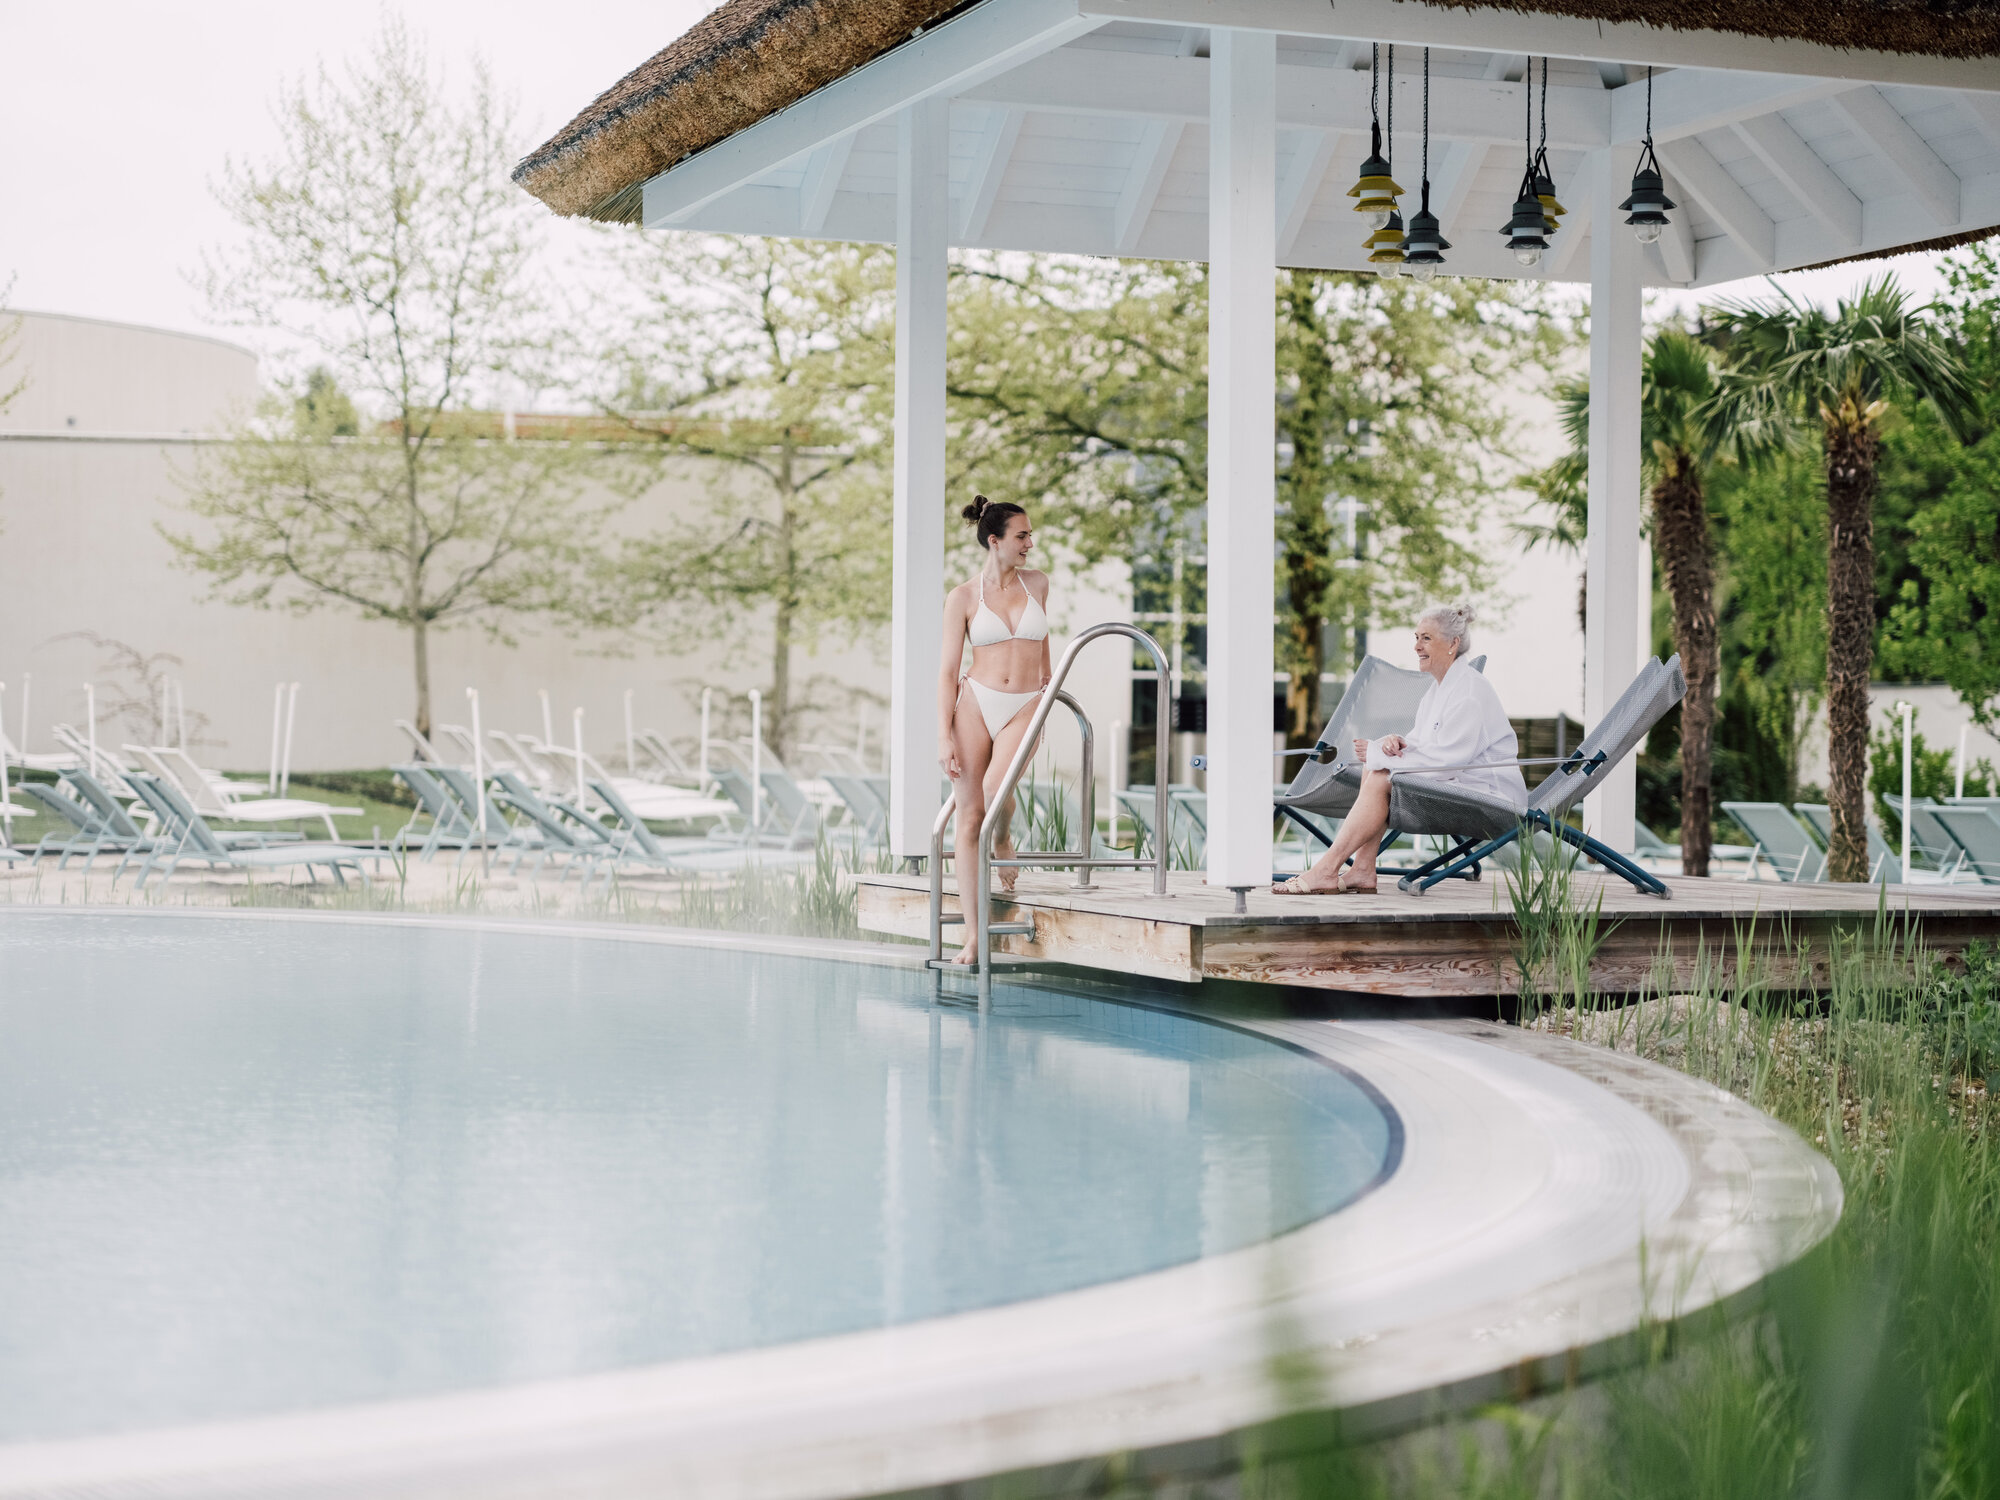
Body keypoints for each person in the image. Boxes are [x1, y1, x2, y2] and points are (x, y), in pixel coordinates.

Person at [1272, 604, 1525, 895]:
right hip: (1463, 787)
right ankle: (1362, 870)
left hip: (1493, 803)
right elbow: (1425, 744)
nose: (1417, 646)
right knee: (1375, 768)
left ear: (1453, 643)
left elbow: (1447, 763)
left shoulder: (1469, 692)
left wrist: (1381, 755)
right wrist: (1393, 743)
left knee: (1381, 774)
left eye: (1426, 638)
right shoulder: (1439, 690)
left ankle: (1326, 870)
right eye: (1416, 637)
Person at [937, 496, 1051, 960]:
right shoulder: (963, 597)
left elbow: (1043, 641)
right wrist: (943, 735)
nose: (1030, 543)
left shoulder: (1038, 583)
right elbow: (948, 671)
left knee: (993, 789)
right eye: (1021, 536)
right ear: (994, 540)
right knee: (968, 818)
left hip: (1025, 705)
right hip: (975, 704)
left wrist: (1048, 686)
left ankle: (1002, 835)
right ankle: (974, 933)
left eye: (1029, 535)